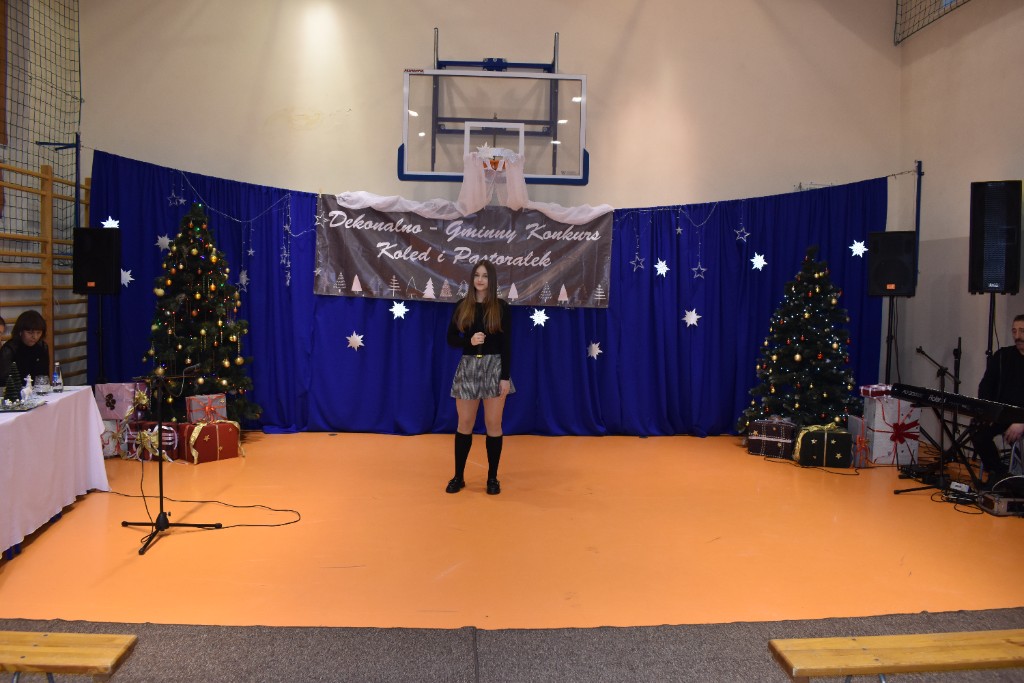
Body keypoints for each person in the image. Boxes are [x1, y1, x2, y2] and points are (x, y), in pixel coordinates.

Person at [445, 259, 514, 495]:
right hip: (468, 367)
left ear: (491, 280)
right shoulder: (462, 305)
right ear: (472, 279)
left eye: (485, 276)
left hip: (494, 367)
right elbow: (451, 338)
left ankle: (492, 478)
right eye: (477, 275)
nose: (480, 280)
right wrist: (469, 341)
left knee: (493, 424)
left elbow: (506, 345)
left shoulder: (501, 307)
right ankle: (458, 476)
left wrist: (505, 377)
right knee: (464, 423)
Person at [972, 314, 1024, 487]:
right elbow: (986, 385)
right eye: (1014, 331)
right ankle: (1001, 475)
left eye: (1022, 331)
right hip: (1002, 414)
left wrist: (1021, 422)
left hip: (1022, 419)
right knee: (978, 433)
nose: (1018, 336)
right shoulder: (1003, 356)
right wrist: (987, 411)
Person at [0, 310, 50, 391]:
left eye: (38, 333)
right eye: (30, 333)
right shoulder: (9, 349)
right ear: (20, 331)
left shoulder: (42, 346)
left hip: (38, 391)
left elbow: (44, 376)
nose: (35, 337)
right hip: (16, 393)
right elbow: (4, 382)